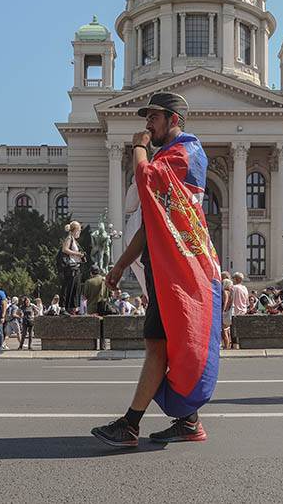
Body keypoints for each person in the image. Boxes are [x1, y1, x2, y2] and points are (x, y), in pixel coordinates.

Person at [93, 92, 220, 447]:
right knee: (163, 343)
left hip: (178, 271)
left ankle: (130, 424)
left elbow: (146, 178)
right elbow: (153, 223)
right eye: (146, 119)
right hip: (166, 268)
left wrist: (138, 147)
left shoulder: (185, 153)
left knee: (157, 344)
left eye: (153, 118)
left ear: (172, 119)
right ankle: (188, 422)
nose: (146, 125)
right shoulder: (170, 156)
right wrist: (120, 263)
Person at [59, 221, 85, 314]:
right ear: (75, 230)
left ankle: (72, 308)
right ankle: (63, 308)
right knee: (67, 287)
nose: (80, 232)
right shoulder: (69, 238)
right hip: (70, 266)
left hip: (76, 266)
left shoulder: (74, 240)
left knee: (74, 288)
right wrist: (77, 253)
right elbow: (65, 249)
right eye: (79, 230)